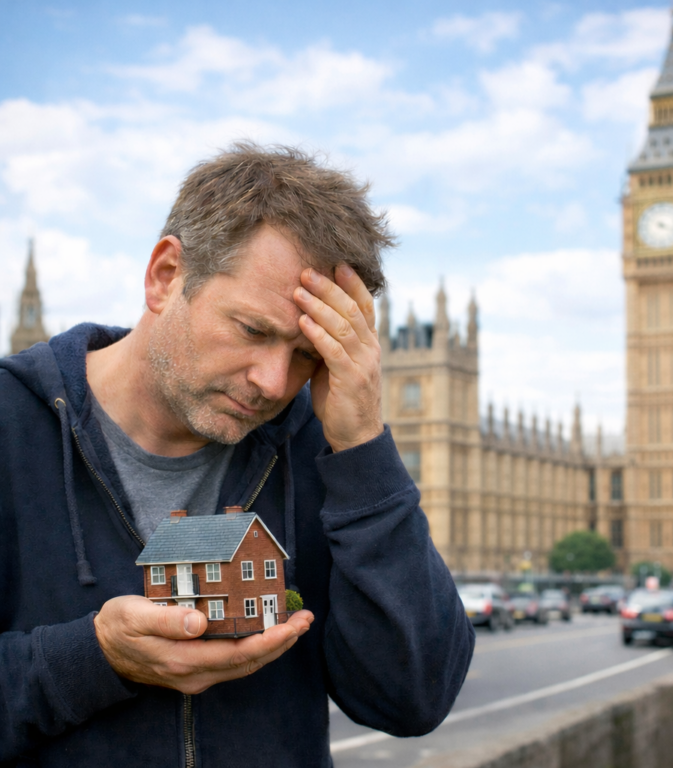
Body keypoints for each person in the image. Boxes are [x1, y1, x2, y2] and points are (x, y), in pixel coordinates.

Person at [0, 143, 474, 767]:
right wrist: (93, 658)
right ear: (166, 276)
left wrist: (362, 448)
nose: (275, 383)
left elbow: (415, 697)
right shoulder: (12, 425)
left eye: (308, 353)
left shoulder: (316, 449)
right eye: (253, 330)